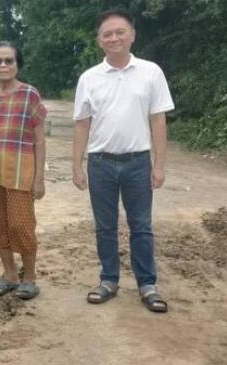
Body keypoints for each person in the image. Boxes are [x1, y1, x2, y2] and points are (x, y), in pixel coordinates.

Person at [71, 10, 174, 313]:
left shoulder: (151, 72)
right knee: (105, 227)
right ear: (99, 40)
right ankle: (108, 280)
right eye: (107, 34)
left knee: (141, 226)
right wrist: (77, 164)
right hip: (100, 163)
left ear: (132, 34)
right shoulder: (89, 78)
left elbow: (158, 119)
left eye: (120, 32)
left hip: (138, 162)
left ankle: (148, 284)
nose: (114, 38)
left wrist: (159, 164)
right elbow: (81, 124)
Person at [0, 42, 47, 300]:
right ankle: (10, 275)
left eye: (9, 61)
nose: (3, 65)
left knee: (21, 226)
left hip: (20, 174)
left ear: (18, 65)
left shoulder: (30, 95)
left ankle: (30, 278)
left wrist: (39, 179)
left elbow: (39, 140)